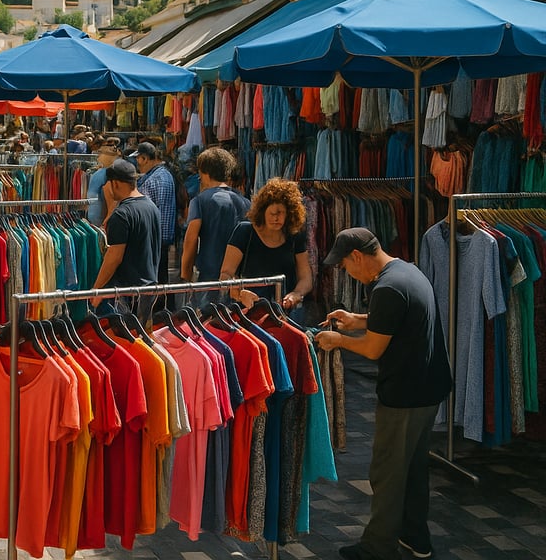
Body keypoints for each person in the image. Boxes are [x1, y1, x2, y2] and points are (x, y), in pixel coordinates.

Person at [316, 228, 453, 560]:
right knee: (412, 468)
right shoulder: (406, 271)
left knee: (387, 472)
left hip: (405, 395)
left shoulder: (387, 288)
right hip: (428, 389)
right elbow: (396, 320)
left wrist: (338, 340)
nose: (348, 273)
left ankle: (378, 547)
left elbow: (374, 348)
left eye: (346, 266)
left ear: (357, 257)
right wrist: (357, 320)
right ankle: (415, 538)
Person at [219, 177, 312, 310]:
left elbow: (306, 277)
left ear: (290, 214)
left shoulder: (295, 236)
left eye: (280, 214)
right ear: (262, 212)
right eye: (272, 213)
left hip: (283, 312)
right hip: (246, 311)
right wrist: (239, 293)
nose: (276, 218)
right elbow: (225, 274)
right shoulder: (244, 232)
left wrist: (296, 294)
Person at [89, 159, 161, 324]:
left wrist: (96, 289)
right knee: (141, 343)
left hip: (127, 295)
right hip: (149, 290)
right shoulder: (152, 207)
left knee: (124, 343)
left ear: (115, 183)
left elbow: (114, 257)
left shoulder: (121, 215)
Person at [180, 147, 251, 290]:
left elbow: (191, 242)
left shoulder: (199, 201)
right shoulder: (245, 202)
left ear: (204, 172)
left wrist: (185, 277)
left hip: (209, 277)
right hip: (238, 278)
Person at [135, 141, 177, 287]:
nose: (137, 163)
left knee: (153, 283)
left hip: (154, 238)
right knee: (161, 281)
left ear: (145, 158)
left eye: (138, 159)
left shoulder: (152, 180)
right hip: (162, 238)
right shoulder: (165, 175)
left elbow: (143, 211)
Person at [86, 145, 120, 226]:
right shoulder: (102, 172)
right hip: (95, 220)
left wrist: (106, 222)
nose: (98, 157)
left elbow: (112, 202)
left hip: (100, 221)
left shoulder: (107, 174)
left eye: (100, 154)